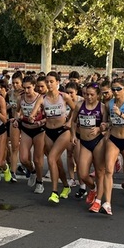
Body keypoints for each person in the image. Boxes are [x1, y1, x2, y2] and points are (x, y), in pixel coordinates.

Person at [95, 80, 124, 214]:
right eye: (113, 89)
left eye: (118, 89)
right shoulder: (109, 104)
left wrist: (120, 113)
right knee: (108, 170)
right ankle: (107, 203)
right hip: (114, 138)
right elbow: (107, 122)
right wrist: (104, 126)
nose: (115, 92)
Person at [73, 83, 108, 212]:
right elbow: (73, 121)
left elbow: (106, 124)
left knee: (100, 172)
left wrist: (100, 128)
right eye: (86, 94)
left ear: (98, 95)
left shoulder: (102, 108)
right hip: (84, 142)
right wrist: (73, 135)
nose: (88, 97)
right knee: (82, 173)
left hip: (98, 141)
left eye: (92, 94)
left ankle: (98, 201)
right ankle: (92, 188)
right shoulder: (79, 105)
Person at [42, 72, 76, 204]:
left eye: (51, 81)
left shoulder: (64, 97)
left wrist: (69, 121)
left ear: (57, 82)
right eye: (47, 81)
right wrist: (33, 116)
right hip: (49, 132)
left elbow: (76, 109)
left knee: (51, 158)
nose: (49, 84)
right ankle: (66, 186)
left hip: (63, 131)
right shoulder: (43, 98)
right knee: (57, 163)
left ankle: (54, 192)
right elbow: (33, 111)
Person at [17, 76, 46, 194]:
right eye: (24, 88)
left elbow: (48, 116)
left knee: (37, 159)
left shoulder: (41, 99)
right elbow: (17, 112)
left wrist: (40, 121)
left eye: (29, 87)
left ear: (34, 86)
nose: (27, 91)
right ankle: (32, 171)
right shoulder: (21, 98)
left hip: (39, 130)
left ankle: (40, 182)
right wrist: (16, 119)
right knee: (23, 159)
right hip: (26, 129)